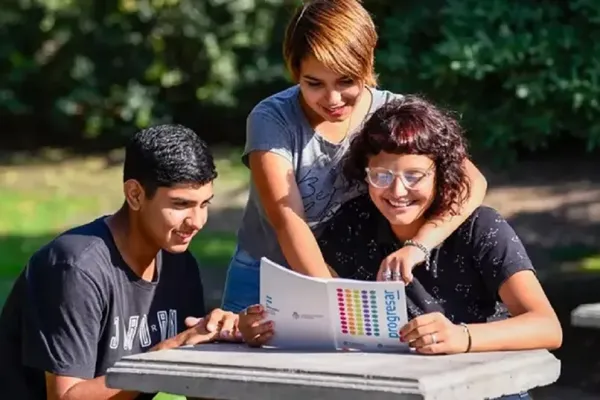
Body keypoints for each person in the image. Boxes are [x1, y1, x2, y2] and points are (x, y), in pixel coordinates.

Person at [238, 96, 562, 400]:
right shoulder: (353, 224)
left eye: (414, 176)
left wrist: (461, 337)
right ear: (365, 173)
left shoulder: (481, 228)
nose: (397, 190)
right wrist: (266, 328)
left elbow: (548, 326)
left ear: (441, 174)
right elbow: (319, 316)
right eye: (381, 175)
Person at [221, 0, 488, 313]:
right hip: (268, 275)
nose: (333, 99)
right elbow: (288, 222)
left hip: (357, 276)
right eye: (314, 83)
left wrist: (419, 246)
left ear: (367, 63)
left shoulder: (391, 112)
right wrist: (333, 306)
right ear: (295, 72)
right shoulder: (271, 119)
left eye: (346, 80)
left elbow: (472, 182)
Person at [0, 125, 241, 400]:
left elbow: (193, 383)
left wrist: (221, 342)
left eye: (204, 204)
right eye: (180, 205)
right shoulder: (75, 268)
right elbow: (66, 397)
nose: (196, 222)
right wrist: (163, 358)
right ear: (135, 195)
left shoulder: (179, 264)